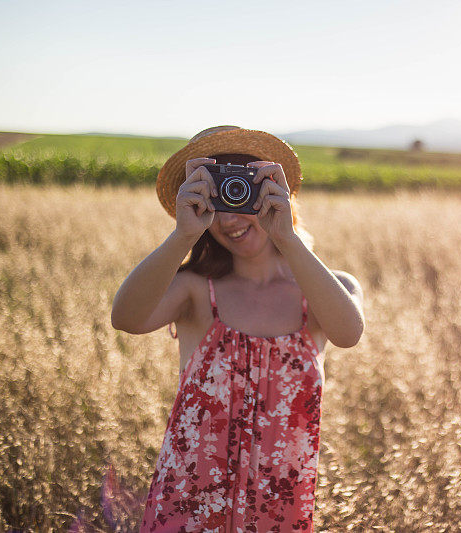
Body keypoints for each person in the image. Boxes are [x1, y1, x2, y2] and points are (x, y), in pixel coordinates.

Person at [110, 125, 365, 532]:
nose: (229, 219)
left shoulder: (325, 290)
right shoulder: (196, 289)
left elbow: (349, 333)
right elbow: (124, 318)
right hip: (188, 506)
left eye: (241, 193)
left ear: (273, 195)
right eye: (215, 198)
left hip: (278, 510)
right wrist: (182, 235)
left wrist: (289, 237)